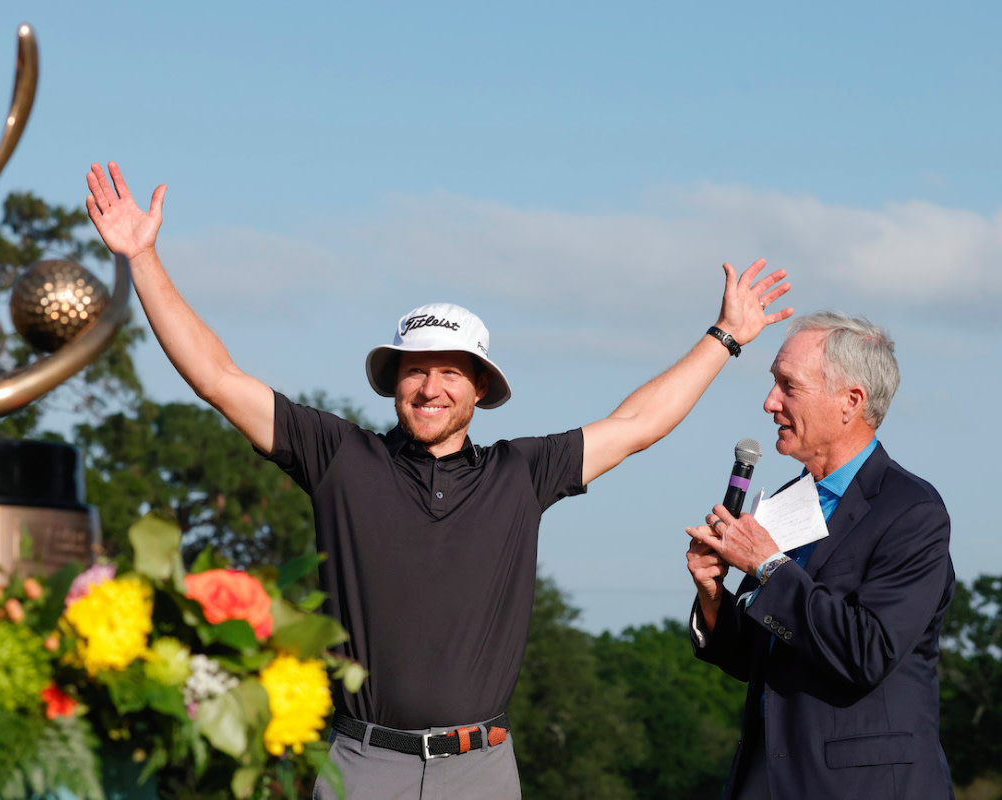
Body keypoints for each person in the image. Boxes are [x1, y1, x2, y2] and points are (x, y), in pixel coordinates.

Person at [85, 160, 793, 799]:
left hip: (481, 767)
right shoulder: (338, 456)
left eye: (450, 370)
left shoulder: (522, 473)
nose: (430, 387)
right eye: (415, 369)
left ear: (479, 388)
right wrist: (143, 258)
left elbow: (638, 422)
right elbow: (218, 378)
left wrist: (724, 338)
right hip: (360, 764)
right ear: (394, 382)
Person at [685, 312, 955, 800]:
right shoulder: (789, 500)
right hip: (767, 780)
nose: (770, 403)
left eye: (789, 386)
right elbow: (757, 658)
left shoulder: (913, 512)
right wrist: (712, 598)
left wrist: (769, 566)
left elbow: (867, 652)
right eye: (773, 384)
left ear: (851, 401)